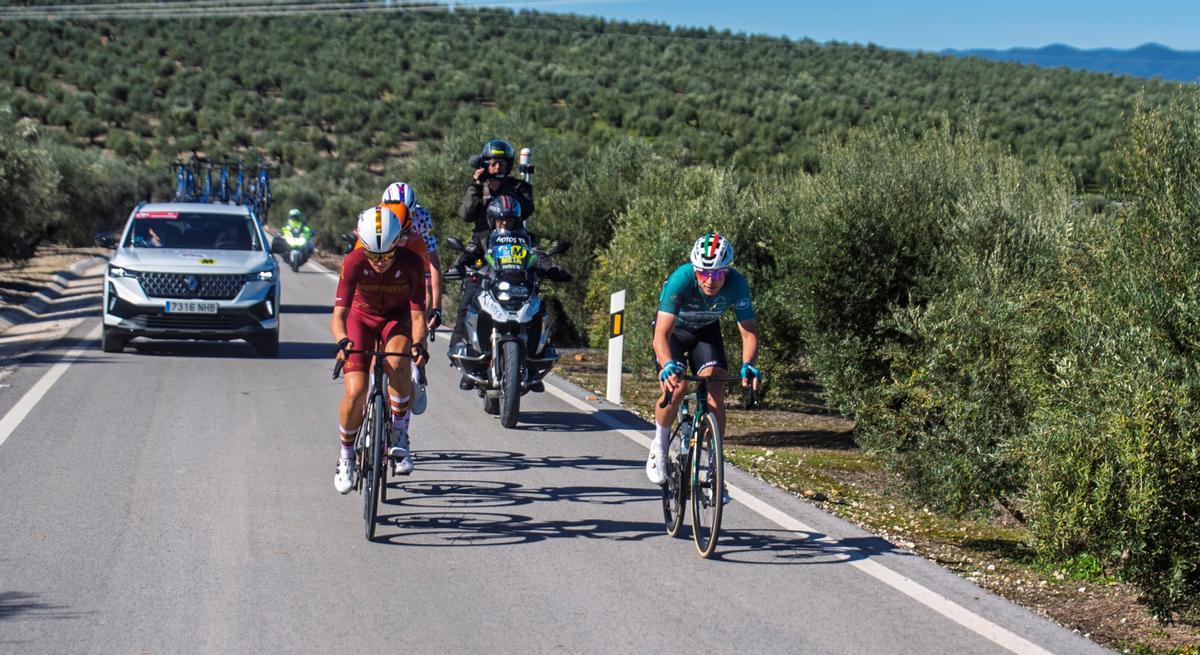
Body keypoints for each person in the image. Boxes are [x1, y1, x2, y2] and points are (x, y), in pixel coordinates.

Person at [647, 232, 761, 486]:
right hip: (673, 332)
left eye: (718, 274)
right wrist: (667, 365)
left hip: (706, 331)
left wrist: (749, 364)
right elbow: (661, 336)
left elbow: (749, 331)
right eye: (703, 273)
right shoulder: (681, 279)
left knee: (716, 387)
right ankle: (660, 445)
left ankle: (714, 466)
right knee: (676, 387)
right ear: (695, 271)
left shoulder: (737, 284)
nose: (710, 280)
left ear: (727, 272)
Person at [332, 206, 429, 493]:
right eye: (373, 255)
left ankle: (399, 431)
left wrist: (419, 345)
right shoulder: (353, 262)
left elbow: (417, 318)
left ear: (398, 241)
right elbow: (339, 316)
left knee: (399, 362)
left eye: (387, 254)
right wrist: (341, 341)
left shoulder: (411, 263)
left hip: (395, 320)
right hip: (360, 319)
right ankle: (346, 456)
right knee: (356, 391)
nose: (380, 262)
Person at [448, 195, 570, 389]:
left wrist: (551, 267)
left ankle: (533, 359)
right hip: (490, 285)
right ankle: (469, 361)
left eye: (510, 220)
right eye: (501, 219)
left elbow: (538, 255)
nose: (505, 223)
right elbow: (470, 252)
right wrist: (459, 265)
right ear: (492, 219)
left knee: (540, 309)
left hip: (520, 285)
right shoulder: (483, 237)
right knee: (468, 307)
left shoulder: (526, 239)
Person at [380, 181, 443, 415]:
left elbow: (433, 264)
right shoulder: (378, 216)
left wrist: (436, 306)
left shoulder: (422, 218)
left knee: (422, 302)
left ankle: (418, 366)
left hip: (415, 262)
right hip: (387, 263)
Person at [458, 139, 534, 241]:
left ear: (508, 165)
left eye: (501, 164)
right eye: (493, 164)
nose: (497, 168)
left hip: (514, 241)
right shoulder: (477, 188)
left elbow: (526, 211)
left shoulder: (519, 186)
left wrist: (502, 190)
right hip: (483, 243)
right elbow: (466, 215)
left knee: (538, 255)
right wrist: (476, 186)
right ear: (485, 165)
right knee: (465, 257)